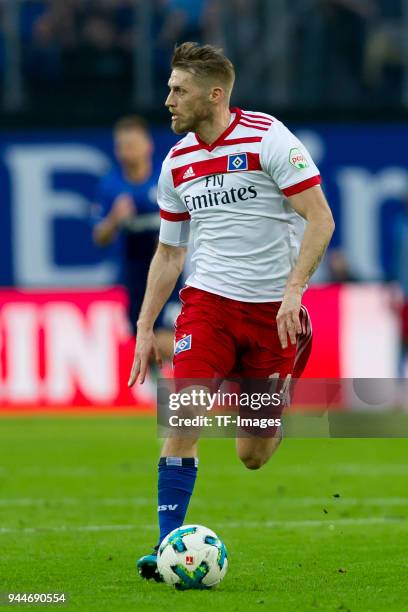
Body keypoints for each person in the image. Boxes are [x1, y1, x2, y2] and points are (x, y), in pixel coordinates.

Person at [127, 42, 335, 581]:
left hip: (273, 313)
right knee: (185, 414)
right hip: (207, 307)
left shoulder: (268, 138)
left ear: (214, 95)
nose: (168, 99)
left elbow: (320, 219)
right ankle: (164, 547)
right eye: (169, 89)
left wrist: (294, 291)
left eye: (179, 90)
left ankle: (279, 394)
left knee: (253, 454)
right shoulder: (176, 162)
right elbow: (170, 252)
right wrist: (146, 325)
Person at [91, 115, 176, 361]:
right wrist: (114, 218)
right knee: (146, 344)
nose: (126, 152)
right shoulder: (111, 186)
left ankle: (201, 387)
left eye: (132, 144)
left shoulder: (166, 177)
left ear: (147, 145)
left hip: (171, 273)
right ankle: (161, 398)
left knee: (168, 340)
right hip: (136, 275)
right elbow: (99, 237)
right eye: (121, 146)